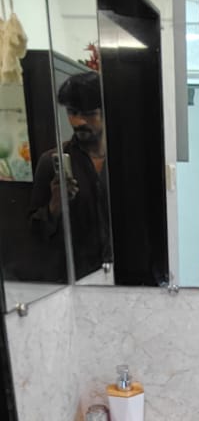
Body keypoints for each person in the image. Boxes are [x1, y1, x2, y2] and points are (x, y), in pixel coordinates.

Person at [29, 71, 112, 281]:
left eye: (88, 113)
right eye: (72, 112)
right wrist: (54, 207)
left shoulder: (126, 163)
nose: (78, 121)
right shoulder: (50, 162)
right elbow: (35, 236)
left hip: (123, 278)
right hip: (73, 280)